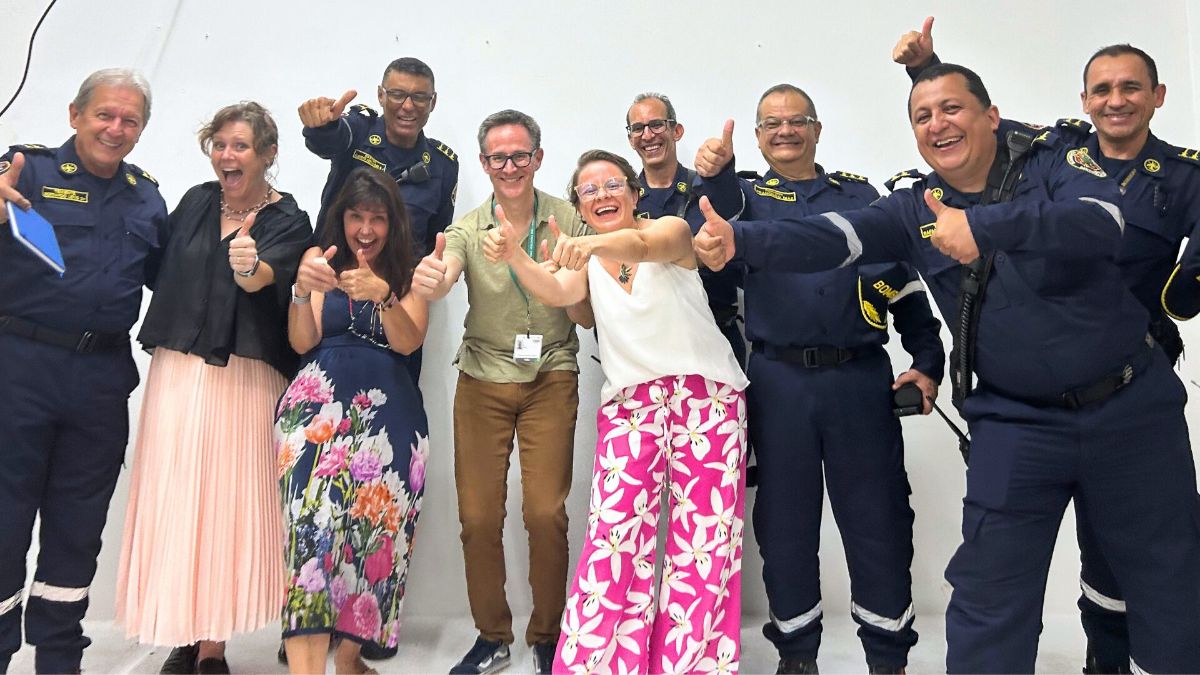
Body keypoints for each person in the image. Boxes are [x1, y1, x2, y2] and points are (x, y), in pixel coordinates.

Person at [695, 63, 1200, 673]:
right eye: (922, 116)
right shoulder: (912, 207)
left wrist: (984, 227)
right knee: (988, 596)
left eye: (952, 109)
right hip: (1017, 424)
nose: (938, 124)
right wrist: (740, 242)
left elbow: (1103, 222)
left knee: (1169, 582)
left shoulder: (1057, 165)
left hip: (1132, 411)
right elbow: (833, 237)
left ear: (992, 117)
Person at [893, 23, 1200, 673]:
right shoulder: (1061, 158)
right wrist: (931, 68)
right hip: (1026, 406)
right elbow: (982, 136)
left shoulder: (1181, 176)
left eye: (1131, 89)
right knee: (997, 578)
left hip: (1131, 390)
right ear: (1085, 101)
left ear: (1158, 95)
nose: (1116, 101)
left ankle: (1114, 661)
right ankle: (1105, 658)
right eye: (1103, 90)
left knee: (1149, 565)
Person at [695, 83, 943, 674]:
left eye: (797, 120)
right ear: (757, 137)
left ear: (817, 128)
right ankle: (797, 656)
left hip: (860, 383)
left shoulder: (860, 196)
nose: (785, 131)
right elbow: (717, 227)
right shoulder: (747, 200)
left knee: (879, 519)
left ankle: (888, 656)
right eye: (772, 123)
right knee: (784, 525)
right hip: (779, 383)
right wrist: (717, 174)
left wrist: (927, 362)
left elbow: (904, 285)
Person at [484, 148, 749, 674]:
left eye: (612, 186)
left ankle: (692, 666)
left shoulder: (670, 230)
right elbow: (557, 287)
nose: (602, 195)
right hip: (632, 404)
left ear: (634, 193)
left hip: (708, 396)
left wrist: (578, 244)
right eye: (589, 190)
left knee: (705, 546)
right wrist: (516, 255)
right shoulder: (583, 262)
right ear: (580, 204)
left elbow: (647, 244)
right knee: (614, 539)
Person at [113, 102, 312, 674]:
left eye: (241, 146)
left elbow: (267, 277)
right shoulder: (197, 201)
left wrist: (248, 265)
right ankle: (184, 626)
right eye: (220, 144)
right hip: (179, 370)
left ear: (268, 154)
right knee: (178, 498)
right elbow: (158, 266)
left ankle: (213, 645)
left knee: (227, 504)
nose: (228, 155)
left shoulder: (288, 219)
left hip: (245, 377)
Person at [408, 110, 589, 675]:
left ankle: (548, 635)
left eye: (519, 155)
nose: (509, 166)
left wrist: (571, 279)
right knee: (479, 516)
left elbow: (583, 315)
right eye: (497, 157)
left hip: (551, 376)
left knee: (545, 511)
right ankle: (492, 636)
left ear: (538, 158)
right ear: (484, 164)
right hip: (483, 379)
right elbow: (448, 265)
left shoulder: (568, 221)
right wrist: (435, 278)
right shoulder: (468, 225)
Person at [0, 68, 168, 674]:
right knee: (3, 519)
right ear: (75, 114)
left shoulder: (147, 196)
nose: (116, 128)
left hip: (100, 379)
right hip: (19, 370)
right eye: (105, 115)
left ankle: (59, 659)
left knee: (79, 527)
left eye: (130, 120)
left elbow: (172, 280)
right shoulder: (26, 171)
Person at [276, 168, 430, 675]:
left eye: (377, 218)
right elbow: (302, 342)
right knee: (310, 541)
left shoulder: (411, 270)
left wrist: (382, 294)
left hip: (391, 417)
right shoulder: (321, 260)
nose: (365, 229)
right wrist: (301, 290)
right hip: (317, 411)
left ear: (393, 222)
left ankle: (349, 662)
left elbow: (408, 342)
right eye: (356, 216)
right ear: (340, 218)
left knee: (375, 541)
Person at [299, 56, 458, 391]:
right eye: (397, 94)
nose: (408, 106)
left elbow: (434, 242)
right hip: (330, 291)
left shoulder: (443, 164)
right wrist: (321, 126)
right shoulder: (359, 128)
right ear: (381, 96)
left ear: (434, 103)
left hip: (395, 305)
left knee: (393, 406)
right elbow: (331, 139)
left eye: (420, 97)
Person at [625, 92, 746, 364]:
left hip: (715, 338)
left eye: (657, 124)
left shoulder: (711, 186)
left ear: (676, 131)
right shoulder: (621, 199)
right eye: (637, 128)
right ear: (630, 139)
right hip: (647, 347)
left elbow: (733, 207)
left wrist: (723, 169)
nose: (648, 135)